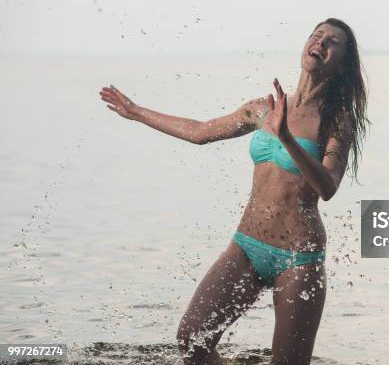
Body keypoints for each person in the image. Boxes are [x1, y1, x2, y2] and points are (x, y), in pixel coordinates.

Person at [99, 18, 369, 365]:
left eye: (333, 41)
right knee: (192, 340)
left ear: (342, 62)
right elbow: (199, 132)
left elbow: (328, 186)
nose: (321, 42)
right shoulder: (264, 108)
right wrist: (137, 113)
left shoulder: (337, 120)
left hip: (298, 259)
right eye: (317, 35)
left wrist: (286, 137)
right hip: (247, 246)